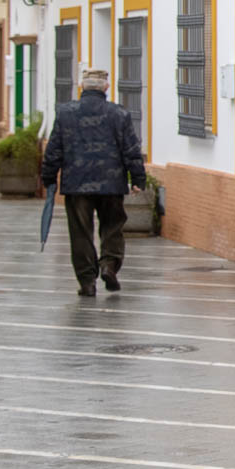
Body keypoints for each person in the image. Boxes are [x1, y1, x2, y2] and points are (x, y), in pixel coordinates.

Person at [39, 68, 146, 297]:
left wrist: (48, 177)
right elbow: (131, 149)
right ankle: (109, 265)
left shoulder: (65, 113)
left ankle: (87, 281)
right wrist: (137, 177)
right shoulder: (119, 114)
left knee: (80, 232)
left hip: (77, 185)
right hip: (111, 183)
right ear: (106, 87)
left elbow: (53, 150)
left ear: (82, 87)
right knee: (113, 226)